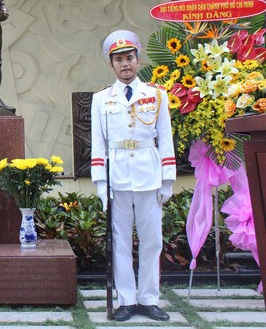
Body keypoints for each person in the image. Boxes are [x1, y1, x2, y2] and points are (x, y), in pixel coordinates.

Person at [90, 30, 176, 322]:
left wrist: (167, 180)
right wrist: (101, 185)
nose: (124, 64)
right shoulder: (101, 99)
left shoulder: (156, 95)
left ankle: (150, 299)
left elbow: (165, 138)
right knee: (121, 242)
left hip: (149, 176)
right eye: (118, 59)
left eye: (129, 57)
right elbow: (98, 143)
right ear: (111, 65)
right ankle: (126, 299)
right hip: (118, 179)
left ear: (138, 60)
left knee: (152, 240)